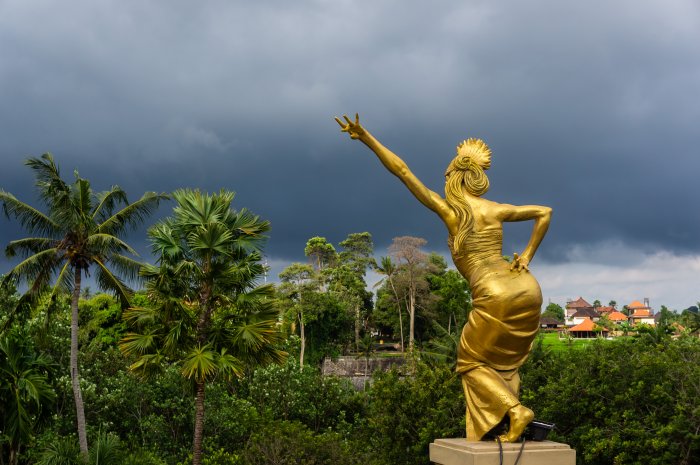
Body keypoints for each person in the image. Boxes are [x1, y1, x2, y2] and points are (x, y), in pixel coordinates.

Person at [336, 114, 552, 442]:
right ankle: (506, 419)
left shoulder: (453, 213)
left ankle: (515, 411)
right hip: (526, 286)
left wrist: (366, 137)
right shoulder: (495, 209)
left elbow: (403, 172)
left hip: (493, 291)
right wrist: (527, 255)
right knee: (503, 362)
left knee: (470, 362)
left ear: (454, 178)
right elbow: (544, 212)